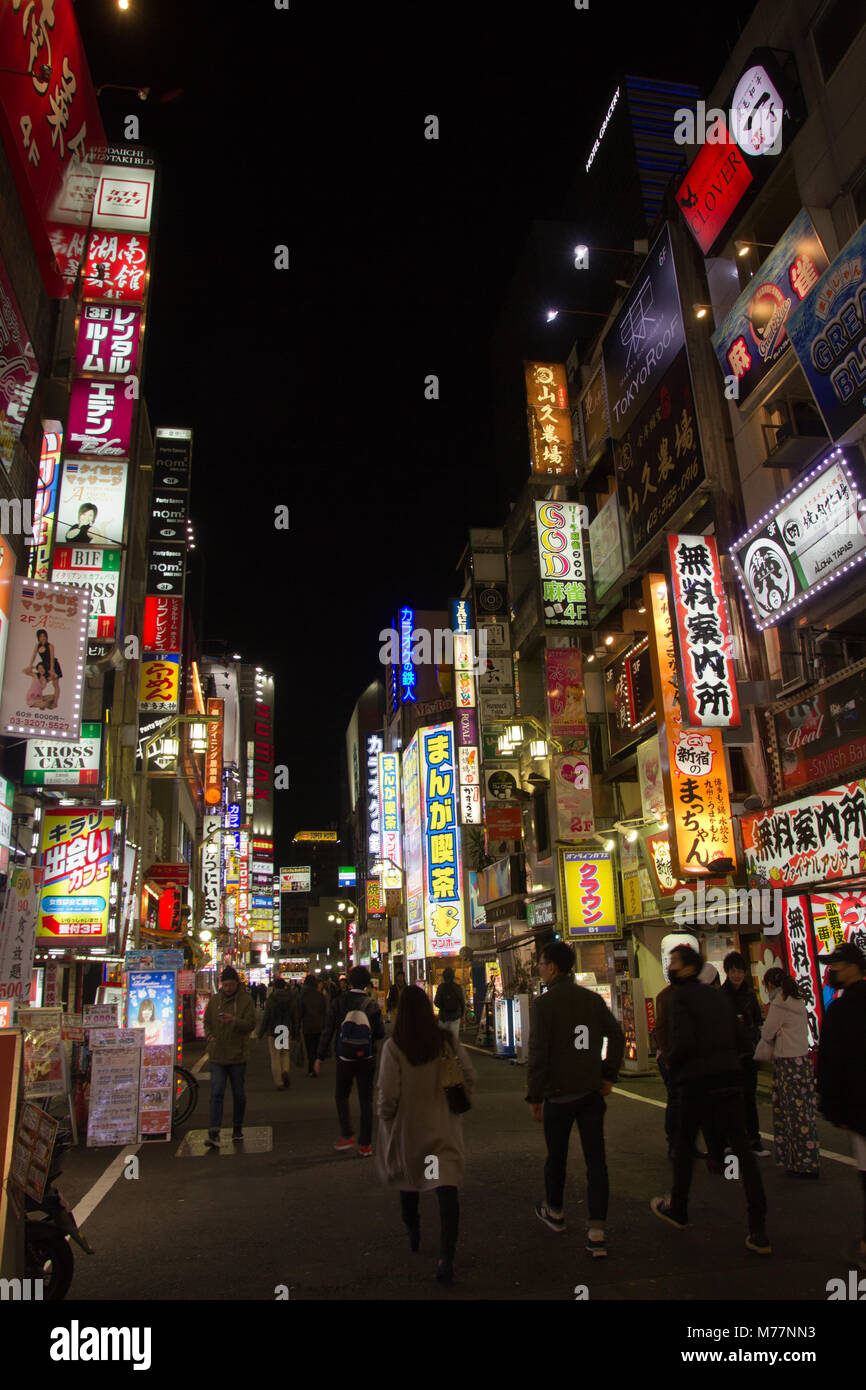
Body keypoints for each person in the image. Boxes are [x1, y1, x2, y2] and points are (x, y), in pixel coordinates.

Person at [651, 944, 771, 1255]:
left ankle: (679, 1208)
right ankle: (759, 1229)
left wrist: (671, 1065)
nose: (671, 966)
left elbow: (683, 1042)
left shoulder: (681, 998)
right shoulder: (718, 996)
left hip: (697, 1083)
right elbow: (743, 1037)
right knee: (743, 1151)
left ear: (688, 968)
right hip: (730, 1080)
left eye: (674, 962)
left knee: (684, 1146)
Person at [526, 940, 625, 1258]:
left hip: (557, 1095)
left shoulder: (544, 1005)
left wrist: (535, 1095)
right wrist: (608, 1074)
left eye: (541, 964)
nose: (540, 969)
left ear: (553, 968)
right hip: (590, 1092)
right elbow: (617, 1034)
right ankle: (597, 1230)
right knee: (596, 1161)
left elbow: (539, 1054)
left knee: (556, 1156)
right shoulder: (591, 999)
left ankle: (555, 1211)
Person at [376, 983, 476, 1285]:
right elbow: (468, 1075)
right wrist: (458, 1099)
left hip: (409, 1129)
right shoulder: (445, 1040)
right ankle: (447, 1256)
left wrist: (386, 1120)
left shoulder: (394, 1047)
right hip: (442, 1126)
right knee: (446, 1188)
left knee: (409, 1180)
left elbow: (388, 1095)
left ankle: (414, 1231)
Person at [816, 942, 866, 1271]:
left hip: (861, 1108)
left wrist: (834, 1108)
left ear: (851, 967)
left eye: (835, 965)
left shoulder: (842, 1009)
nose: (831, 971)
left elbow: (832, 1064)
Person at [315, 965, 384, 1156]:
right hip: (367, 1057)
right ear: (367, 983)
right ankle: (366, 1145)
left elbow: (328, 1030)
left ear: (350, 981)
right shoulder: (371, 1005)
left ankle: (347, 1134)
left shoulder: (338, 1002)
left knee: (342, 1095)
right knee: (366, 1099)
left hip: (344, 1057)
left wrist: (319, 1057)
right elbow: (380, 1033)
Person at [760, 967, 819, 1178]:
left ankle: (799, 1163)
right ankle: (809, 1160)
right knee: (805, 1115)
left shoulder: (779, 1003)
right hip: (802, 1061)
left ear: (770, 985)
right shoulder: (797, 1000)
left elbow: (768, 1032)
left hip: (787, 1063)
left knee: (791, 1115)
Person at [721, 951, 769, 1156]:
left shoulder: (750, 995)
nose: (737, 975)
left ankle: (754, 1141)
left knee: (749, 1098)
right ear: (727, 972)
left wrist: (752, 1032)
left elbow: (758, 1022)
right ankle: (730, 1141)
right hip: (728, 1055)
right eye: (733, 971)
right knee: (731, 1099)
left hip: (748, 1054)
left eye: (740, 971)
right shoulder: (720, 995)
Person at [203, 966, 256, 1147]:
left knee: (238, 1093)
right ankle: (214, 1130)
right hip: (217, 1054)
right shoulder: (215, 1000)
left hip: (237, 1055)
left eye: (231, 985)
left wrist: (234, 1020)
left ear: (237, 984)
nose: (227, 988)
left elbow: (250, 1024)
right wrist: (209, 1036)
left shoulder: (245, 1001)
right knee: (216, 1092)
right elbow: (207, 1022)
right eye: (225, 985)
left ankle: (237, 1127)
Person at [257, 978, 299, 1089]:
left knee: (275, 1056)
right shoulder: (291, 998)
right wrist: (295, 1033)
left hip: (273, 1030)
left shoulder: (271, 999)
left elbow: (266, 1018)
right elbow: (295, 1017)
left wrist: (260, 1033)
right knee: (285, 1053)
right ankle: (285, 1070)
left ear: (274, 987)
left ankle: (279, 1082)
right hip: (285, 1029)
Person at [25, 629, 62, 710]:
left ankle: (55, 703)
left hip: (53, 666)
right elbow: (33, 656)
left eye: (44, 636)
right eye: (41, 636)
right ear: (38, 637)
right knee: (42, 681)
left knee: (55, 685)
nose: (43, 638)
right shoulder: (37, 646)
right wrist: (30, 665)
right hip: (45, 666)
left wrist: (52, 670)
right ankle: (41, 702)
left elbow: (52, 658)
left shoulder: (50, 646)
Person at [300, 973, 327, 1076]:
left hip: (308, 1025)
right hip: (319, 1025)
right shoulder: (320, 995)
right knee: (317, 1047)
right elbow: (325, 1010)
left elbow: (300, 1011)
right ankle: (316, 1065)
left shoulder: (303, 995)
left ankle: (311, 1068)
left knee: (310, 1047)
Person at [433, 966, 465, 1041]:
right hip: (455, 1016)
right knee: (454, 1039)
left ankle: (445, 1052)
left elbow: (436, 1002)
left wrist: (443, 1007)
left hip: (443, 1017)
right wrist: (462, 1015)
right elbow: (462, 1002)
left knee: (443, 1040)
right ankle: (454, 1051)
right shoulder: (457, 987)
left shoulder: (441, 987)